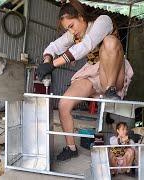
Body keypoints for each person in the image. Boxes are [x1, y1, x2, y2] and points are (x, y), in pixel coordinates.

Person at [36, 0, 134, 161]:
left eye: (72, 26)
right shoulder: (73, 34)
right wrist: (47, 61)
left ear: (81, 17)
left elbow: (86, 46)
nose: (71, 32)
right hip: (91, 71)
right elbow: (53, 47)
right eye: (68, 29)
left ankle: (110, 92)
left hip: (112, 72)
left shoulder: (103, 21)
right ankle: (71, 147)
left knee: (110, 41)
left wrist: (53, 64)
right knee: (64, 104)